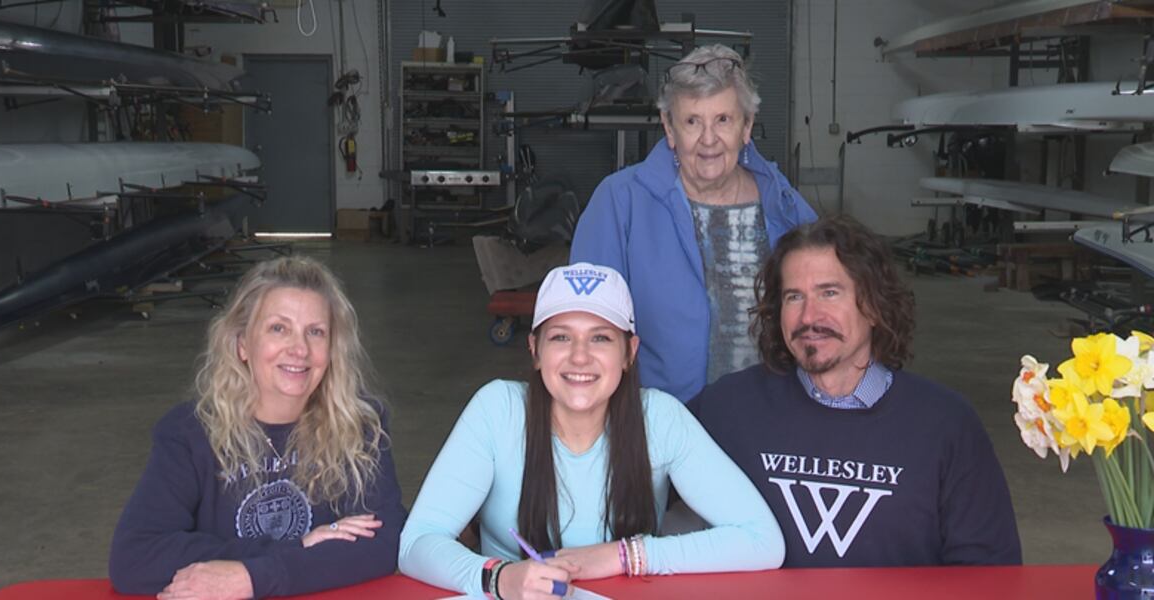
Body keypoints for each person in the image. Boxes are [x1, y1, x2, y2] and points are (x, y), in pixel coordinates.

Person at [398, 262, 785, 598]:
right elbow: (417, 541)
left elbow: (762, 540)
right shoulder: (497, 410)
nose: (579, 356)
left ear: (629, 353)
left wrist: (624, 556)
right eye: (561, 337)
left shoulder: (660, 419)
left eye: (600, 337)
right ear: (534, 350)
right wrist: (498, 578)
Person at [689, 215, 1022, 567]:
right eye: (793, 296)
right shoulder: (728, 408)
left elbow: (989, 573)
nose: (809, 316)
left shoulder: (947, 425)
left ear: (875, 306)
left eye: (829, 293)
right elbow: (635, 476)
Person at [109, 256, 406, 598]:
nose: (299, 349)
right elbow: (134, 558)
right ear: (242, 345)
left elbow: (387, 542)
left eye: (316, 332)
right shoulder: (189, 433)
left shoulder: (361, 425)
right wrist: (296, 550)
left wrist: (251, 578)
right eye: (278, 328)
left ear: (332, 349)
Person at [570, 44, 818, 403]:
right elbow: (584, 325)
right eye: (691, 121)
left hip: (769, 423)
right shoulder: (620, 200)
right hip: (662, 424)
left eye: (723, 120)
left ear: (746, 126)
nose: (708, 140)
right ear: (669, 129)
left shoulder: (784, 203)